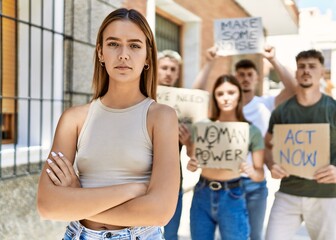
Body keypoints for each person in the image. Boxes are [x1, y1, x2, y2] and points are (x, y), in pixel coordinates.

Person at [37, 8, 180, 240]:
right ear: (101, 52)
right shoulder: (74, 119)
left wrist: (78, 198)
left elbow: (161, 211)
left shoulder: (161, 117)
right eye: (114, 44)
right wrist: (133, 190)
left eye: (134, 45)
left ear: (147, 56)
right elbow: (48, 205)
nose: (123, 54)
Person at [192, 45, 297, 240]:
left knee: (253, 235)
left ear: (257, 78)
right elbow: (194, 97)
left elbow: (293, 89)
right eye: (241, 74)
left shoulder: (266, 104)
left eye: (250, 74)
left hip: (254, 183)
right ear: (234, 78)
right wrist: (209, 62)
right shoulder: (218, 109)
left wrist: (273, 60)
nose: (246, 78)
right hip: (220, 179)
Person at [264, 49, 336, 240]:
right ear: (296, 72)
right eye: (301, 66)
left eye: (312, 66)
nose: (306, 70)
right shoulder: (281, 112)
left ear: (322, 72)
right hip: (287, 194)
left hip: (325, 198)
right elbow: (267, 146)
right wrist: (271, 165)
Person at [187, 74, 265, 240]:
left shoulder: (251, 131)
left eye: (231, 92)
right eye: (220, 94)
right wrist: (192, 165)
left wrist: (251, 172)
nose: (226, 98)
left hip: (233, 195)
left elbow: (260, 175)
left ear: (239, 95)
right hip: (202, 192)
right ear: (214, 97)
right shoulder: (202, 127)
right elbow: (193, 161)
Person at [157, 49, 185, 240]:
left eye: (172, 69)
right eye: (164, 68)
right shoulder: (141, 99)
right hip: (144, 180)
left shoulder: (186, 103)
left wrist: (187, 138)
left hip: (174, 179)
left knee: (170, 235)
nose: (168, 73)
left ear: (177, 73)